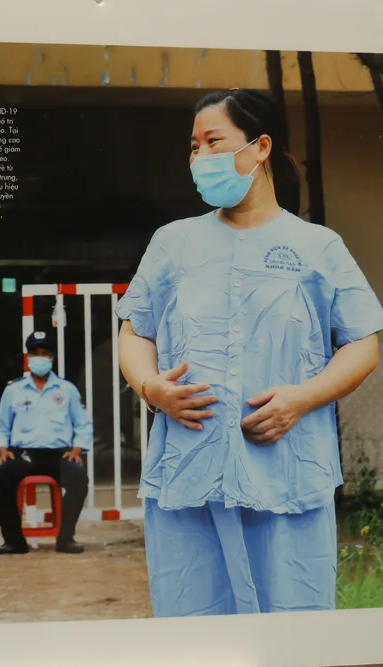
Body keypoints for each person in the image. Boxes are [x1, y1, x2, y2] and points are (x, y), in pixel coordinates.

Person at [115, 88, 383, 617]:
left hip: (286, 473)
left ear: (260, 147)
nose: (200, 157)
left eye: (213, 142)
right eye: (194, 147)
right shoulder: (172, 243)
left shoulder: (317, 247)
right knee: (195, 634)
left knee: (292, 630)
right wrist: (151, 387)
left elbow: (363, 342)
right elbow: (135, 331)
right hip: (190, 475)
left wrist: (304, 398)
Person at [0, 331, 91, 555]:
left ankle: (65, 538)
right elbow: (1, 426)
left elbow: (83, 423)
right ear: (27, 357)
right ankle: (14, 541)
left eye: (44, 353)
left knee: (79, 478)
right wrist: (2, 449)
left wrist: (77, 449)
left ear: (52, 357)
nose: (39, 358)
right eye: (35, 353)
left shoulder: (67, 390)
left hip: (58, 455)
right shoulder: (13, 390)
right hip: (24, 455)